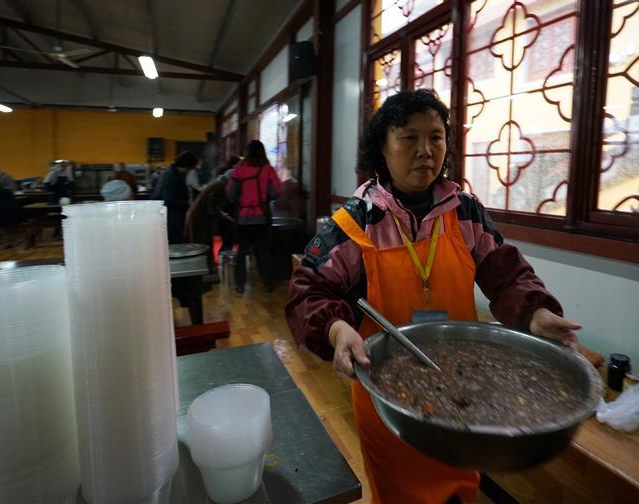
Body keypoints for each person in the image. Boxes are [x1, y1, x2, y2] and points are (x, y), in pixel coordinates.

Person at [285, 90, 581, 504]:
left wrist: (535, 312)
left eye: (436, 137)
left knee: (460, 486)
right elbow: (308, 290)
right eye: (409, 138)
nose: (425, 151)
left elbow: (506, 272)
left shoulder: (464, 211)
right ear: (382, 148)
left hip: (461, 386)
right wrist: (336, 330)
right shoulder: (357, 219)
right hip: (389, 395)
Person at [226, 141, 281, 294]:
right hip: (262, 217)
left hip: (243, 218)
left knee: (242, 251)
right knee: (263, 250)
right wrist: (264, 198)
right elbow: (276, 192)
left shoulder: (239, 170)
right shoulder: (268, 169)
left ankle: (239, 285)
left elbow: (230, 193)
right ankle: (268, 283)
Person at [152, 152, 198, 244]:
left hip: (170, 216)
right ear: (186, 166)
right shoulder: (172, 176)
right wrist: (187, 203)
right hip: (171, 218)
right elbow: (168, 199)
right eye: (191, 168)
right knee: (174, 244)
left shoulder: (171, 173)